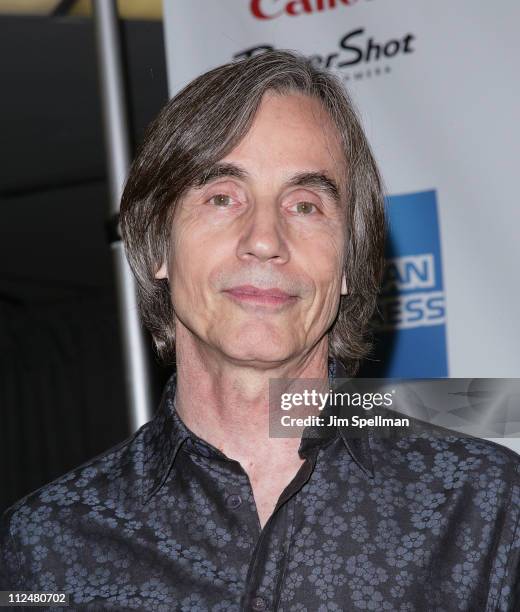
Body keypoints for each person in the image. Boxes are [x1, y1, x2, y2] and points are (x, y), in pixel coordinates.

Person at [1, 49, 519, 611]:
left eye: (305, 205)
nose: (265, 238)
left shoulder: (487, 507)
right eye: (222, 197)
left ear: (348, 262)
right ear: (159, 249)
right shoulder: (45, 544)